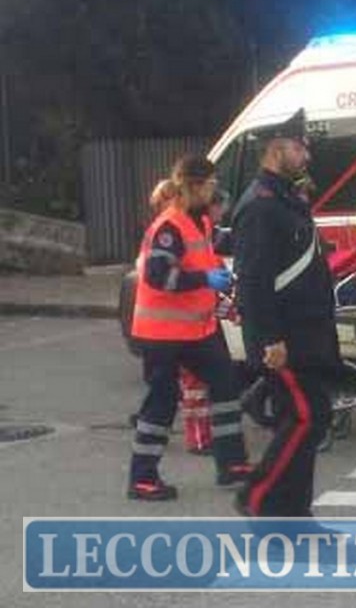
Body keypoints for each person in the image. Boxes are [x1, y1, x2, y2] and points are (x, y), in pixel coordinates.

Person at [231, 108, 339, 517]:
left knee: (308, 421)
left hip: (307, 331)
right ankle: (257, 497)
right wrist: (269, 339)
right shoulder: (260, 206)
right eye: (299, 147)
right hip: (284, 337)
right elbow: (254, 281)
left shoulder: (287, 198)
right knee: (307, 418)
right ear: (277, 149)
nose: (306, 155)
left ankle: (294, 516)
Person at [128, 155, 250, 501]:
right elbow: (159, 276)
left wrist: (222, 298)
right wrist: (205, 279)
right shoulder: (170, 227)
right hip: (162, 334)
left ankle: (231, 464)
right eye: (211, 184)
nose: (214, 191)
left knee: (226, 383)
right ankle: (142, 478)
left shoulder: (201, 222)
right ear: (194, 186)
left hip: (196, 330)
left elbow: (204, 268)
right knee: (162, 402)